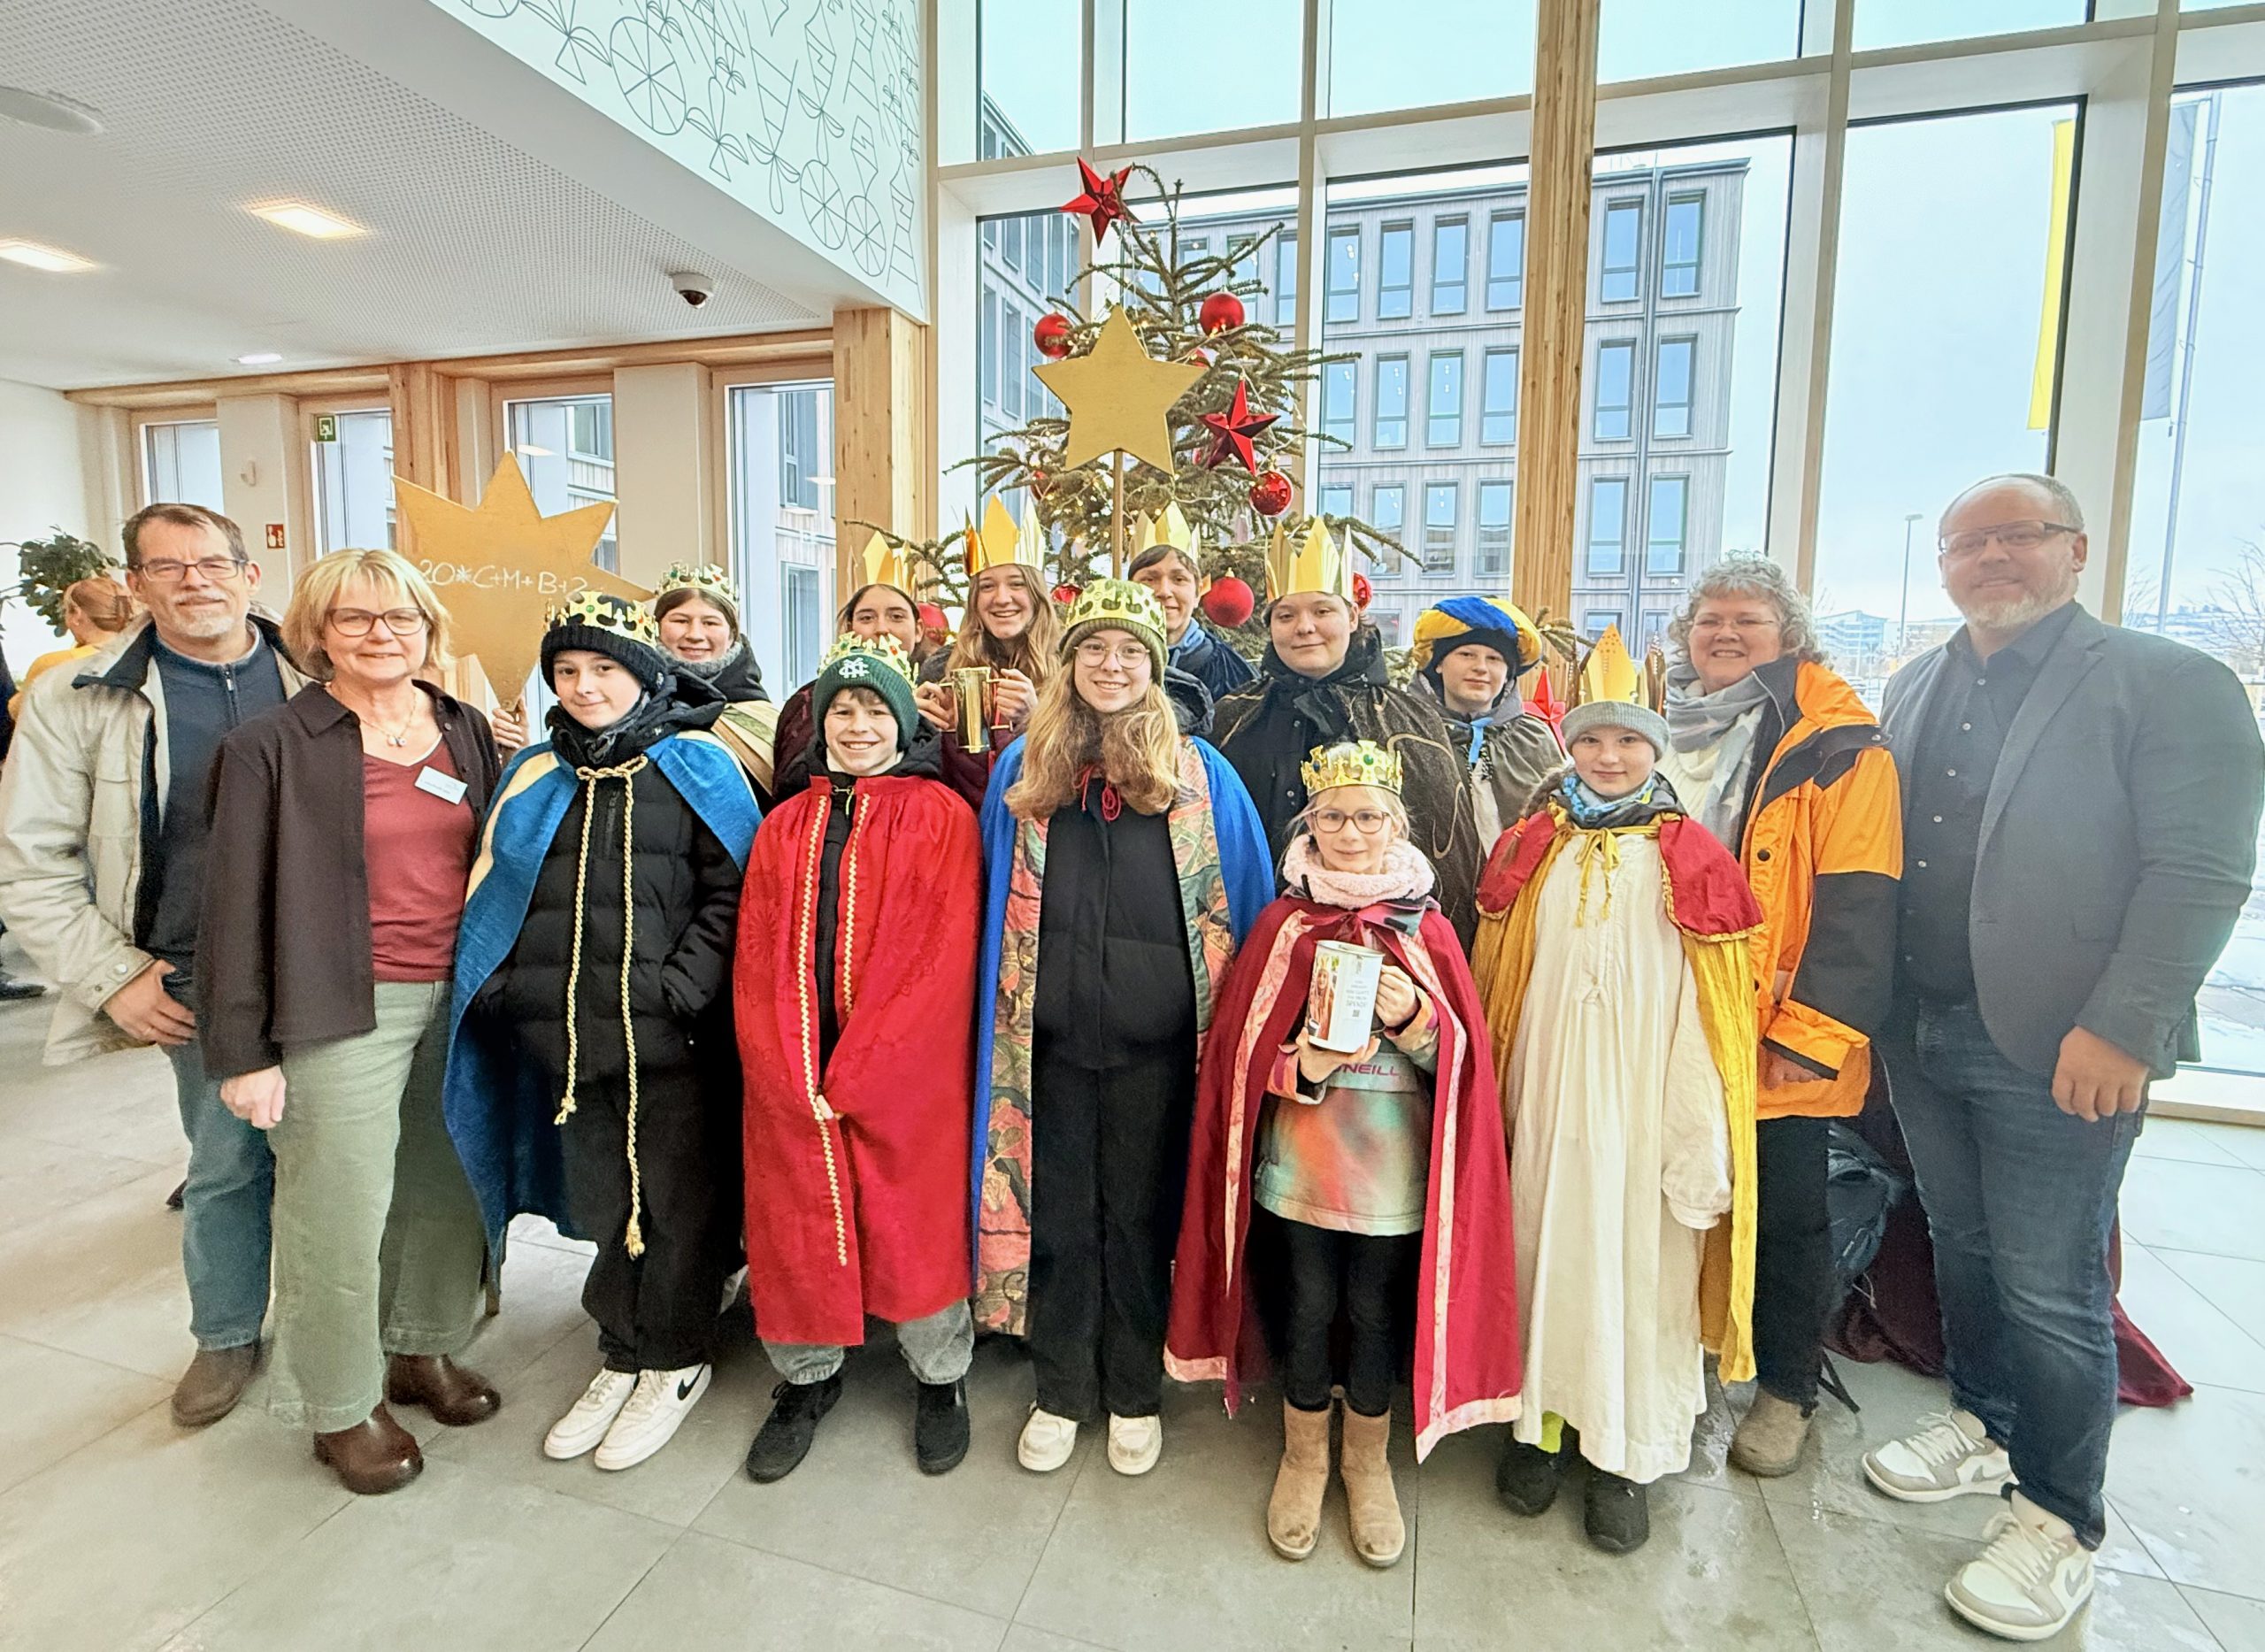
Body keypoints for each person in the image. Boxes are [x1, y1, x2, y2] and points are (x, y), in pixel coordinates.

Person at [1858, 474, 2264, 1640]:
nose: (1990, 557)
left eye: (2017, 535)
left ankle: (2057, 1515)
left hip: (2063, 1038)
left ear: (2075, 549)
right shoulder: (1915, 681)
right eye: (1966, 542)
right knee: (1963, 1242)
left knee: (2052, 1278)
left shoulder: (2167, 682)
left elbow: (2201, 869)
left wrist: (2126, 1024)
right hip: (1921, 1025)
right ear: (1942, 565)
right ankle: (1986, 1423)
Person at [1168, 740, 1519, 1569]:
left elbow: (1465, 1067)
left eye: (1367, 817)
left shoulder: (1428, 930)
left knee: (1372, 1309)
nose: (1351, 833)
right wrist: (1305, 1066)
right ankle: (1303, 1455)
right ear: (1310, 826)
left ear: (1397, 825)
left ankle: (1366, 1460)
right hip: (1303, 1167)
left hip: (1393, 1175)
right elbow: (1241, 1060)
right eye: (1333, 818)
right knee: (1308, 1302)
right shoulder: (1285, 925)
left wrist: (1416, 1022)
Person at [197, 549, 501, 1494]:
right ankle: (338, 1402)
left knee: (446, 1186)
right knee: (336, 1210)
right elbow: (232, 906)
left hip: (458, 992)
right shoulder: (270, 744)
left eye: (401, 616)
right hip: (337, 1003)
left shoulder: (461, 725)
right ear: (317, 632)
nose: (381, 634)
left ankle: (421, 1345)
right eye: (355, 618)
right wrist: (244, 1052)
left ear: (428, 627)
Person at [0, 503, 305, 1425]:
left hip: (327, 960)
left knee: (344, 1158)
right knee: (227, 1164)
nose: (194, 581)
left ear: (250, 575)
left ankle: (351, 1326)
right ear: (135, 585)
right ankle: (226, 1332)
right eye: (167, 568)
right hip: (190, 972)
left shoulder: (317, 669)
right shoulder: (79, 696)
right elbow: (31, 861)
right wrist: (111, 976)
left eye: (211, 563)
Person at [444, 593, 758, 1473]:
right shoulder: (535, 773)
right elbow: (494, 889)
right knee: (603, 1201)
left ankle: (674, 1355)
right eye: (567, 670)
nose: (584, 686)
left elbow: (736, 888)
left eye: (604, 668)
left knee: (681, 1203)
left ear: (645, 675)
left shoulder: (697, 764)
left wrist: (679, 990)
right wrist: (509, 993)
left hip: (672, 1042)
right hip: (569, 1042)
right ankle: (621, 1347)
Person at [971, 579, 1273, 1477]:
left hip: (1159, 1049)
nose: (1112, 665)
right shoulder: (1024, 770)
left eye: (1131, 651)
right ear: (1069, 663)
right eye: (1095, 649)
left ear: (1155, 666)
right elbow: (987, 894)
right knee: (1060, 1217)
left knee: (1141, 1218)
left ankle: (1135, 1388)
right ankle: (1061, 1387)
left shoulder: (1199, 772)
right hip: (1049, 1044)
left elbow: (1246, 901)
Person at [1471, 698, 1762, 1554]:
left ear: (1655, 751)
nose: (1608, 755)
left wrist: (1694, 1132)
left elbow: (1711, 1015)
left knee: (1639, 1266)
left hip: (1644, 1105)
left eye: (1629, 739)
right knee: (1542, 1248)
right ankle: (1539, 1429)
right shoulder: (1532, 845)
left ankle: (1623, 1453)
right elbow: (1497, 983)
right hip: (1547, 1092)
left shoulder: (1693, 857)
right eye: (1591, 739)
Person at [1647, 558, 1903, 1480]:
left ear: (1788, 635)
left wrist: (1810, 1031)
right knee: (1672, 1197)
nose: (1724, 633)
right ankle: (1670, 1364)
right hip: (1665, 1014)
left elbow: (1862, 901)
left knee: (1786, 1215)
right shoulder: (1655, 724)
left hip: (1774, 1026)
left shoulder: (1838, 745)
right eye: (1708, 618)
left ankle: (1787, 1388)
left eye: (1747, 620)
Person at [735, 634, 982, 1481]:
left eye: (876, 709)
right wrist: (783, 1063)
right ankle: (806, 1375)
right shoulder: (784, 824)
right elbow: (757, 952)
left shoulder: (941, 816)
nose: (858, 725)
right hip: (796, 1058)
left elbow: (938, 954)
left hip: (904, 1066)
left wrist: (871, 1065)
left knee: (913, 1213)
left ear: (904, 722)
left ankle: (940, 1375)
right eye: (842, 710)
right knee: (796, 1214)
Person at [1209, 521, 1482, 941]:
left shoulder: (1410, 723)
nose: (1304, 627)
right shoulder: (1233, 719)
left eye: (1322, 611)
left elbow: (1450, 859)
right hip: (1256, 938)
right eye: (1286, 615)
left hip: (1382, 948)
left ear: (1352, 616)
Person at [916, 523, 1060, 808]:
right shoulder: (942, 668)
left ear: (1036, 594)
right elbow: (921, 773)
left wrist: (1035, 719)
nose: (1002, 598)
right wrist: (917, 724)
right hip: (959, 818)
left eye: (1016, 584)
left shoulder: (1069, 664)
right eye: (987, 586)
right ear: (974, 600)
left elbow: (1082, 768)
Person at [1407, 595, 1565, 852]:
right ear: (1438, 664)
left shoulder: (1533, 739)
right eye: (1466, 654)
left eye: (1494, 659)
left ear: (1508, 673)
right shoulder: (1407, 734)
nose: (1480, 668)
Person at [772, 556, 928, 803]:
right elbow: (792, 783)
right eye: (867, 618)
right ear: (848, 628)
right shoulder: (809, 701)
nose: (882, 629)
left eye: (896, 617)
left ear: (918, 630)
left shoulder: (937, 696)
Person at [651, 561, 778, 802]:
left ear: (732, 634)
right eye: (680, 621)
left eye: (710, 623)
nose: (695, 635)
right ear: (656, 626)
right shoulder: (631, 705)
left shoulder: (764, 718)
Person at [1128, 537, 1255, 706]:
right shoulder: (1105, 662)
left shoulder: (1231, 674)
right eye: (1149, 580)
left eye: (1179, 579)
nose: (1164, 591)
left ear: (1197, 594)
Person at [9, 574, 134, 718]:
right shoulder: (140, 658)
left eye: (66, 611)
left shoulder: (52, 664)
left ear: (77, 615)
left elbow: (19, 712)